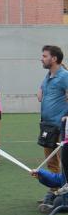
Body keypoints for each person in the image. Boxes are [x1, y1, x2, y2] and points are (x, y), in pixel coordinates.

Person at [37, 45, 68, 205]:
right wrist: (40, 91)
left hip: (61, 127)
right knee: (51, 161)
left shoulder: (64, 76)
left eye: (44, 56)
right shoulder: (48, 76)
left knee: (65, 161)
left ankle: (63, 193)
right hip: (47, 126)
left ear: (54, 58)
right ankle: (55, 192)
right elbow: (41, 93)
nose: (41, 58)